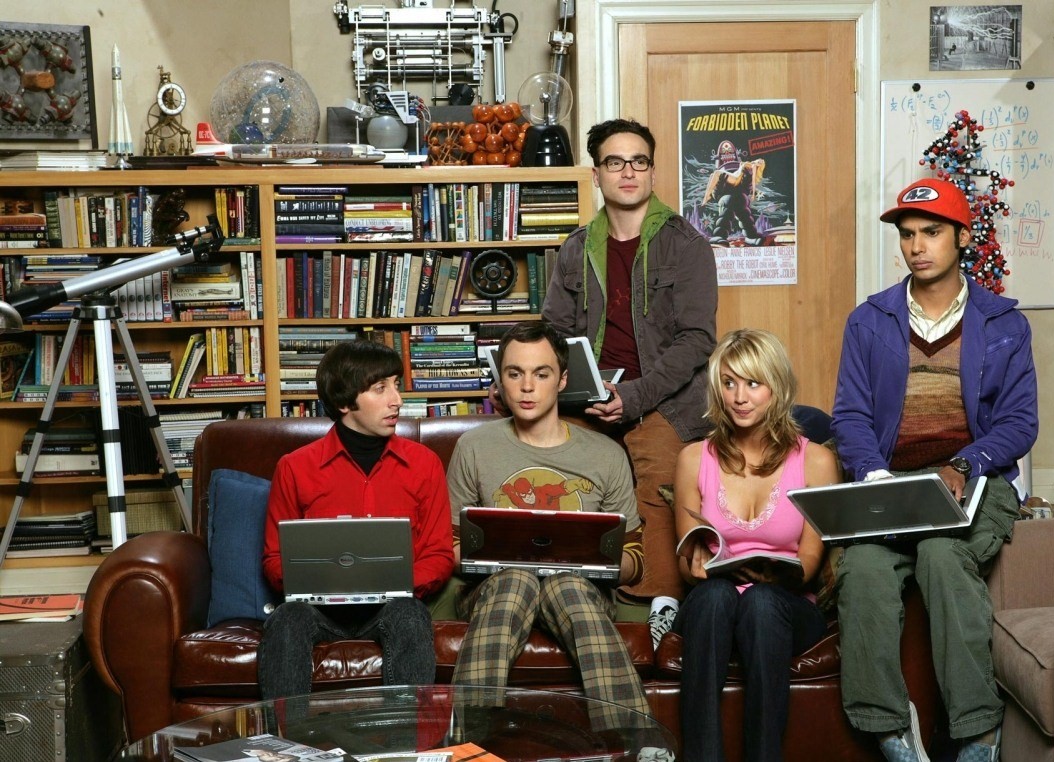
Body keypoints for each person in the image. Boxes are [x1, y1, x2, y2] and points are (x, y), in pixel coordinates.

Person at [831, 178, 1038, 762]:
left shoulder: (1003, 323)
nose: (916, 246)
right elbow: (850, 417)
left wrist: (965, 464)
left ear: (962, 237)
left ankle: (977, 732)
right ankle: (891, 731)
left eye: (931, 232)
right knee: (862, 569)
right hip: (891, 484)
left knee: (942, 556)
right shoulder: (869, 320)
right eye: (907, 235)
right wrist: (872, 475)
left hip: (975, 481)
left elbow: (1019, 423)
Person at [540, 117, 719, 602]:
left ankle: (650, 608)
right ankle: (569, 596)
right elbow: (553, 334)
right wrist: (537, 379)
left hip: (665, 401)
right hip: (587, 398)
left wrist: (635, 396)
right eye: (615, 162)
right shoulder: (576, 249)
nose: (628, 172)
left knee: (660, 483)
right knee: (558, 476)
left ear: (652, 172)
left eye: (639, 162)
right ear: (596, 174)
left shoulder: (687, 245)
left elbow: (697, 340)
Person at [448, 321, 651, 730]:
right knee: (517, 580)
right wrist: (481, 559)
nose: (527, 387)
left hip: (580, 591)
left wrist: (601, 562)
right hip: (494, 590)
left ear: (562, 380)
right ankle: (468, 740)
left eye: (541, 374)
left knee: (565, 584)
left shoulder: (605, 454)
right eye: (514, 373)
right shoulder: (474, 446)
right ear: (501, 379)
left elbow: (635, 559)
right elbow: (449, 546)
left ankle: (631, 741)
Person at [671, 328, 838, 762]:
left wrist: (778, 575)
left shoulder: (816, 460)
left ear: (776, 387)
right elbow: (689, 558)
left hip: (785, 607)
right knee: (715, 595)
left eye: (752, 383)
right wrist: (700, 565)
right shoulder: (693, 458)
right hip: (714, 606)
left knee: (762, 603)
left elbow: (810, 560)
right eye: (729, 383)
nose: (739, 397)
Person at [258, 340, 454, 701]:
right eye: (380, 388)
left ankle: (406, 735)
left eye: (396, 385)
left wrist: (390, 584)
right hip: (319, 610)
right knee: (288, 618)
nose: (397, 400)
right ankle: (284, 736)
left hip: (392, 607)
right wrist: (328, 582)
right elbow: (273, 559)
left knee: (409, 614)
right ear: (345, 402)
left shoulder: (424, 464)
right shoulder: (294, 467)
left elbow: (439, 554)